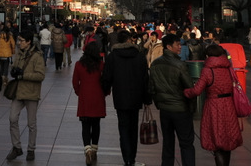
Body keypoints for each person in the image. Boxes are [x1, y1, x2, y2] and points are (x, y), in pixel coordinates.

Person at [183, 44, 243, 166]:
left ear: (207, 56)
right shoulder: (228, 68)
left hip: (213, 106)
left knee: (217, 142)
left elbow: (197, 91)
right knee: (227, 141)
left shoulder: (207, 70)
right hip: (229, 106)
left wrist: (185, 92)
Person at [102, 30, 152, 166]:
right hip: (136, 97)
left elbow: (107, 77)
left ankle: (127, 158)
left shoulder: (112, 56)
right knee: (133, 128)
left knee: (123, 127)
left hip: (120, 96)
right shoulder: (139, 56)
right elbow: (145, 79)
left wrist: (105, 90)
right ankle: (132, 157)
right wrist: (147, 98)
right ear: (130, 39)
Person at [149, 32, 196, 166]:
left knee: (168, 142)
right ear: (169, 47)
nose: (180, 47)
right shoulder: (180, 65)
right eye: (177, 45)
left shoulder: (155, 64)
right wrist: (191, 108)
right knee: (186, 143)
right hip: (181, 109)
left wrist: (159, 103)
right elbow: (189, 88)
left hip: (165, 109)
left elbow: (152, 88)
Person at [6, 29, 46, 162]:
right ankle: (16, 147)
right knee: (12, 118)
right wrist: (14, 71)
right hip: (18, 92)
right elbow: (15, 67)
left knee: (31, 123)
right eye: (19, 40)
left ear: (28, 42)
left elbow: (40, 75)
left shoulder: (37, 56)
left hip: (31, 93)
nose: (19, 43)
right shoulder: (19, 53)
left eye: (21, 41)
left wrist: (23, 75)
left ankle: (31, 149)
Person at [73, 41, 108, 164]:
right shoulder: (101, 65)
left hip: (84, 98)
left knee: (85, 126)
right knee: (96, 125)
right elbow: (106, 81)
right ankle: (94, 149)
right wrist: (105, 93)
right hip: (98, 97)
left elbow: (75, 82)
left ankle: (87, 149)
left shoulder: (78, 64)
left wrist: (79, 92)